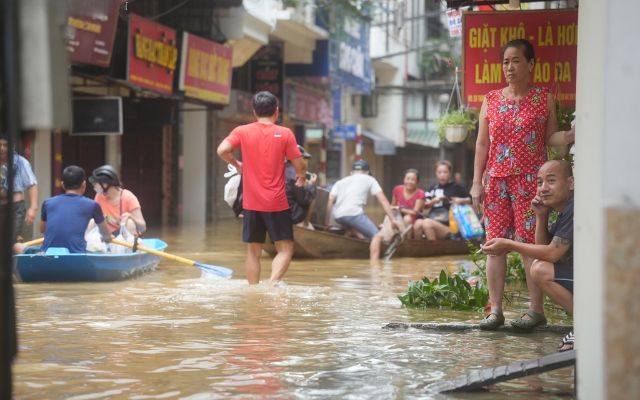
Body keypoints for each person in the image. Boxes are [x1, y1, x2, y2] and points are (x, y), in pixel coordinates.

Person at [470, 39, 575, 330]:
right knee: (495, 244)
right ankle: (496, 310)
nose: (510, 67)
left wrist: (567, 137)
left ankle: (535, 310)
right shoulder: (490, 99)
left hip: (531, 182)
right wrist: (476, 182)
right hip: (497, 180)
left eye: (516, 60)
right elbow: (482, 144)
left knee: (531, 246)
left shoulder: (544, 98)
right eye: (506, 61)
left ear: (530, 65)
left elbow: (549, 138)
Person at [481, 160, 574, 350]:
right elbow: (544, 250)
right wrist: (541, 217)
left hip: (606, 279)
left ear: (571, 183)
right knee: (539, 267)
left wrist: (508, 243)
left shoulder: (574, 208)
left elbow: (552, 254)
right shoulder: (563, 212)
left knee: (539, 270)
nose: (543, 188)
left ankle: (585, 326)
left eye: (551, 181)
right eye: (539, 182)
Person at [217, 91, 306, 285]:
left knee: (253, 251)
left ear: (254, 111)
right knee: (285, 249)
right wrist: (301, 175)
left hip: (251, 203)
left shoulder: (242, 131)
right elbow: (299, 164)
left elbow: (222, 150)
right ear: (276, 111)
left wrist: (237, 164)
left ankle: (254, 291)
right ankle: (272, 284)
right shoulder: (285, 133)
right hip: (277, 203)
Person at [13, 166, 111, 254]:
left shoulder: (48, 203)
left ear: (62, 185)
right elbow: (106, 235)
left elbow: (43, 229)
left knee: (17, 246)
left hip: (47, 254)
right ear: (84, 184)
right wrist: (107, 238)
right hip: (76, 255)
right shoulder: (93, 205)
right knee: (100, 252)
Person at [325, 160, 401, 261]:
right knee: (377, 236)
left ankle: (354, 235)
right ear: (367, 172)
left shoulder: (340, 182)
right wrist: (393, 219)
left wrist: (326, 222)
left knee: (356, 228)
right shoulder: (370, 179)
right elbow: (382, 200)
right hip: (353, 215)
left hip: (338, 216)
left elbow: (330, 200)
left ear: (351, 173)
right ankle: (374, 265)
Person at [415, 161, 470, 240]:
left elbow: (470, 199)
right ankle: (419, 250)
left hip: (450, 227)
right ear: (436, 173)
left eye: (445, 172)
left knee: (427, 223)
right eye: (439, 172)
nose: (442, 175)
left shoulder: (457, 187)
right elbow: (424, 206)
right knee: (417, 223)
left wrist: (460, 200)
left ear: (450, 173)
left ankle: (433, 250)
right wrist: (434, 201)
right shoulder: (433, 188)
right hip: (433, 219)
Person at [89, 165, 146, 236]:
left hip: (124, 238)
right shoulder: (99, 196)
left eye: (96, 184)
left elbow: (143, 228)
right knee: (92, 221)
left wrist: (131, 216)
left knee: (130, 223)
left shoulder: (128, 197)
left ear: (105, 184)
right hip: (106, 236)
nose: (94, 186)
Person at [0, 135, 38, 243]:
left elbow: (32, 184)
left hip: (14, 207)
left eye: (5, 145)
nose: (2, 148)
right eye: (0, 145)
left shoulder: (21, 162)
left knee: (10, 239)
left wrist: (33, 208)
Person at [285, 145, 317, 229]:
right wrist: (311, 185)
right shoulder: (296, 174)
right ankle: (305, 225)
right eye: (304, 159)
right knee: (312, 195)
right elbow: (304, 200)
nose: (305, 162)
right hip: (292, 216)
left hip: (276, 213)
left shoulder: (281, 168)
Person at [390, 168, 425, 236]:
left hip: (415, 218)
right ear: (404, 179)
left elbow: (414, 212)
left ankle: (407, 241)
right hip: (399, 216)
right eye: (407, 179)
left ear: (417, 181)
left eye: (413, 180)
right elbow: (392, 206)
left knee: (407, 218)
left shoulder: (420, 193)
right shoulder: (397, 189)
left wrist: (400, 209)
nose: (409, 181)